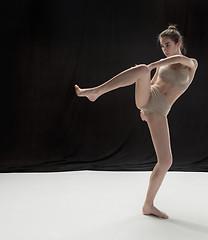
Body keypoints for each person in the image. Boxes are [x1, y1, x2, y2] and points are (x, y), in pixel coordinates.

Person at [75, 25, 198, 219]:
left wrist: (154, 65)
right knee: (141, 69)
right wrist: (143, 106)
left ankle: (148, 205)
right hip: (149, 99)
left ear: (178, 43)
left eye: (167, 45)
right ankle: (95, 91)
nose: (165, 50)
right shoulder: (162, 64)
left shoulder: (190, 63)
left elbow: (180, 59)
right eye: (162, 46)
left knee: (166, 161)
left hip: (160, 110)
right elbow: (151, 84)